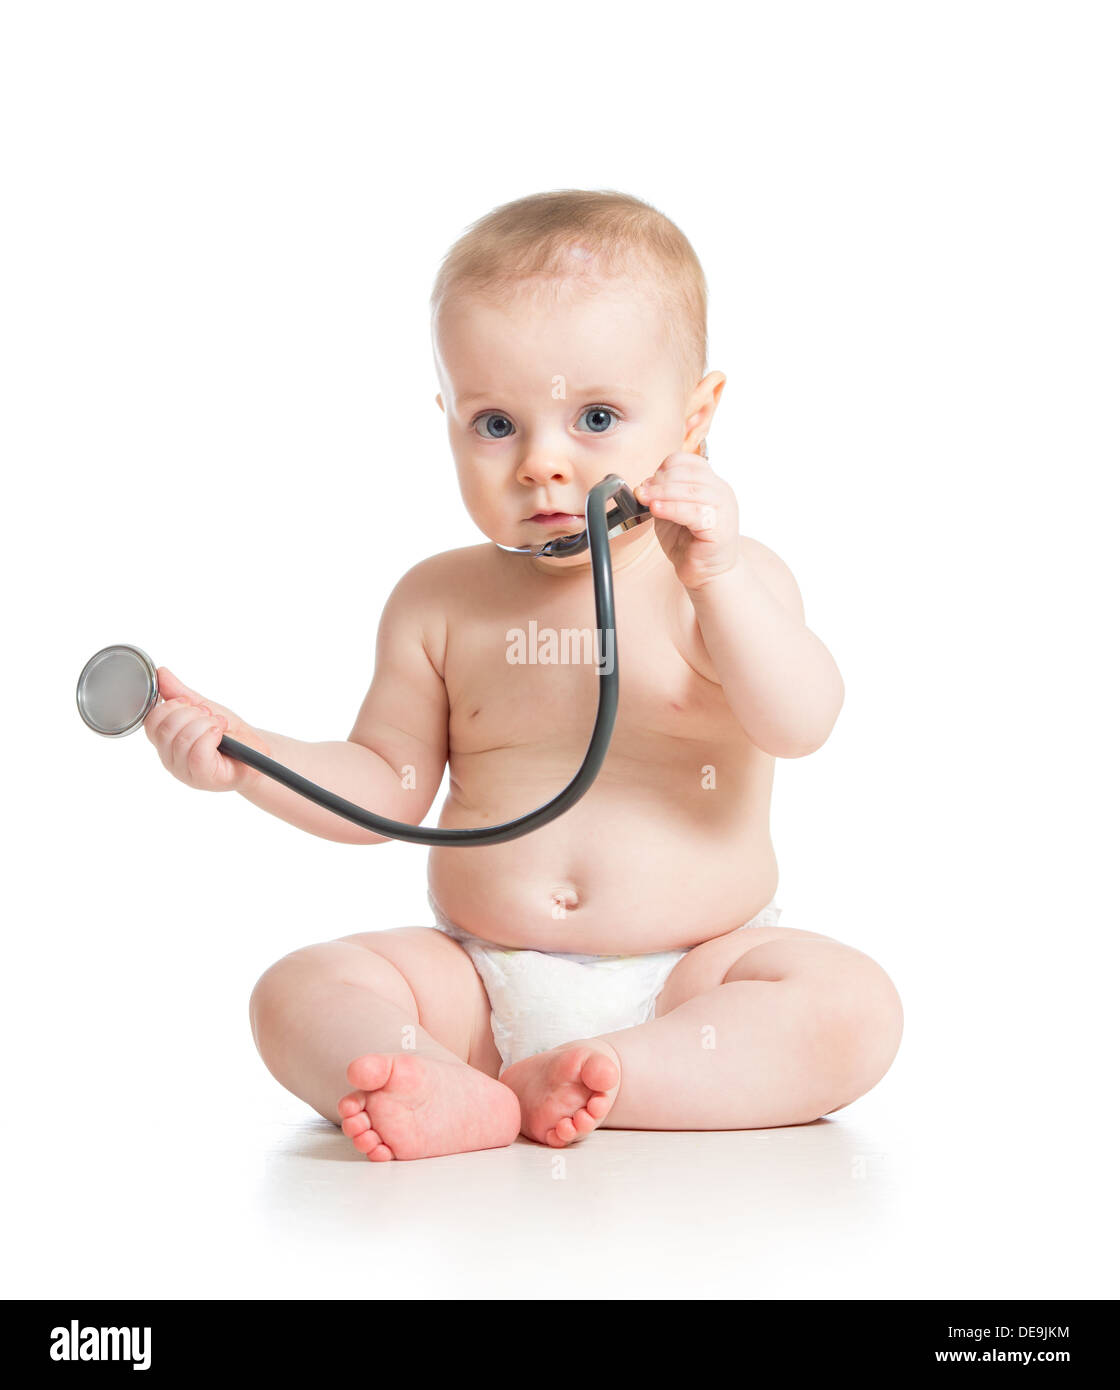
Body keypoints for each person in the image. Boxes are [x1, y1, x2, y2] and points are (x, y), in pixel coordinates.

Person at [145, 189, 903, 1161]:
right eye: (496, 423)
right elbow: (387, 787)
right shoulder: (437, 600)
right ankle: (455, 1085)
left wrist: (715, 577)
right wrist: (249, 756)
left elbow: (801, 720)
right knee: (298, 990)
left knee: (851, 1006)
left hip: (693, 979)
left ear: (695, 417)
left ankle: (621, 1070)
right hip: (479, 979)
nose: (542, 464)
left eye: (596, 417)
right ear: (447, 420)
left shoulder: (723, 581)